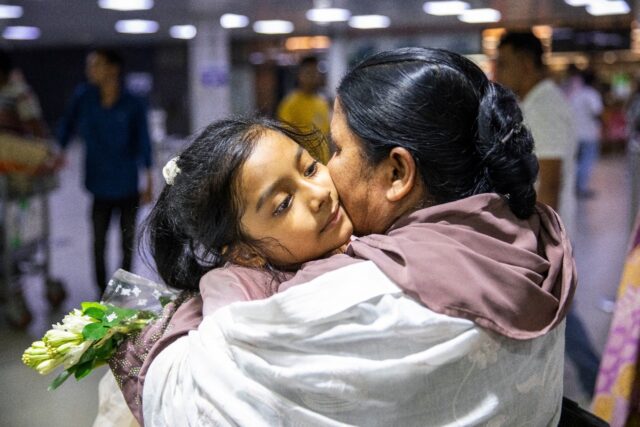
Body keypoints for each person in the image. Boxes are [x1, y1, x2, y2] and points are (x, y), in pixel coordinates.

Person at [104, 48, 576, 426]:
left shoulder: (348, 296)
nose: (322, 183)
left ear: (396, 172)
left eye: (331, 152)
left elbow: (192, 398)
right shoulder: (527, 232)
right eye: (283, 201)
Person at [495, 31, 600, 401]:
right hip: (543, 236)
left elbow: (549, 181)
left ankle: (598, 384)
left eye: (503, 63)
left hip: (544, 238)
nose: (498, 72)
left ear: (525, 62)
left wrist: (538, 246)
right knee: (558, 319)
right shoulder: (536, 102)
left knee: (560, 319)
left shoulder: (545, 105)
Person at [56, 49, 153, 294]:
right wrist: (57, 151)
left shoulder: (132, 103)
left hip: (127, 184)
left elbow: (144, 141)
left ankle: (124, 291)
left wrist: (149, 180)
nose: (90, 70)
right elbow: (67, 125)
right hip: (98, 183)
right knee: (98, 241)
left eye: (96, 65)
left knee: (127, 242)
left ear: (113, 68)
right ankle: (101, 290)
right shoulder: (84, 97)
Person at [276, 55, 331, 163]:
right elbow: (285, 137)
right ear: (299, 75)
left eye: (315, 72)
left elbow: (327, 135)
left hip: (323, 164)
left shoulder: (322, 102)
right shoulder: (290, 103)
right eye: (309, 73)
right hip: (304, 166)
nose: (314, 76)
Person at [567, 68, 603, 198]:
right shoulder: (592, 94)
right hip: (589, 134)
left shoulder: (576, 94)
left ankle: (575, 187)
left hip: (576, 133)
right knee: (587, 161)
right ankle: (581, 188)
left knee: (577, 162)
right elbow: (597, 113)